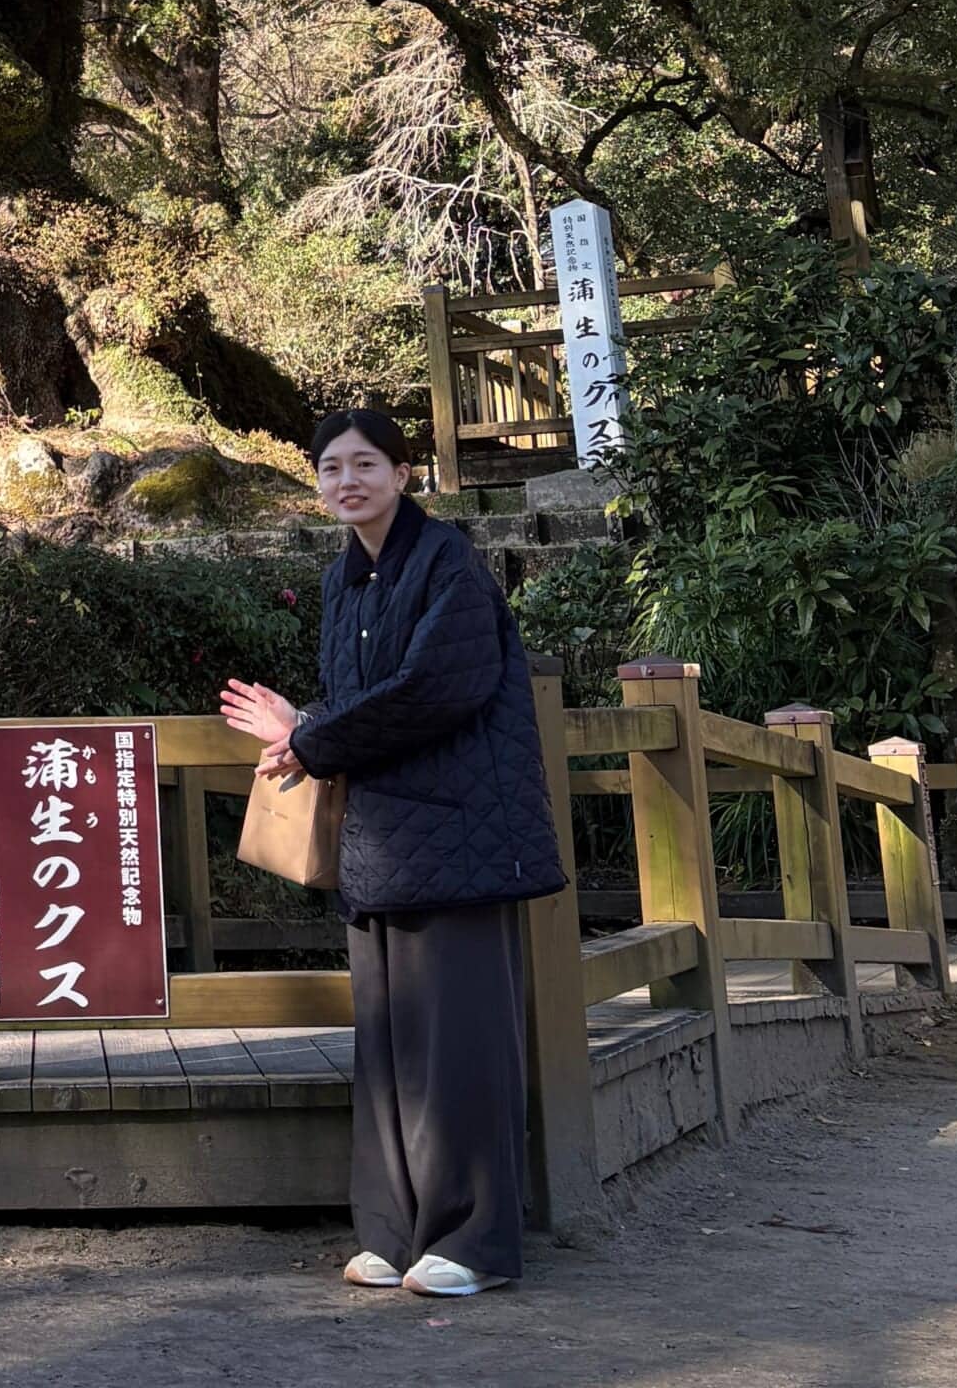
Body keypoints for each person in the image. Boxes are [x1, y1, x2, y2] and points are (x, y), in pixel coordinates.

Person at [220, 405, 566, 1298]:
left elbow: (434, 691)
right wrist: (306, 726)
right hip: (379, 835)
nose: (347, 482)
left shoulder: (450, 563)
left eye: (365, 464)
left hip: (456, 832)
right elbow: (355, 698)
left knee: (461, 1044)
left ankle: (476, 1242)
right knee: (387, 1042)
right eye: (330, 468)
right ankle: (391, 1227)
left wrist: (309, 742)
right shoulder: (344, 581)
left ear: (404, 473)